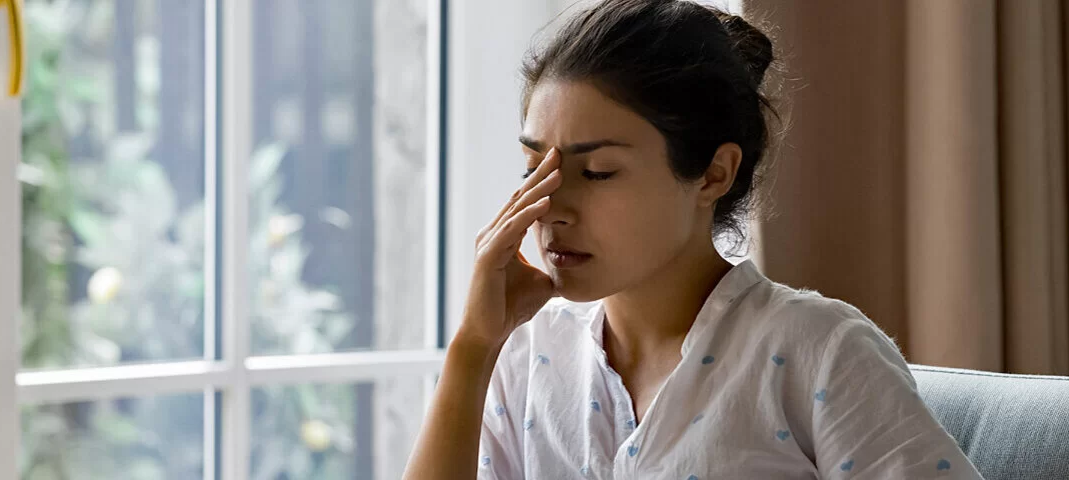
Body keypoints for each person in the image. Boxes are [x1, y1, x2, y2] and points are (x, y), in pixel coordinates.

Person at [405, 0, 982, 478]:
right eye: (535, 170)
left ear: (713, 174)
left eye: (598, 172)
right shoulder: (527, 356)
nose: (549, 209)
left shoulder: (820, 352)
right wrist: (472, 348)